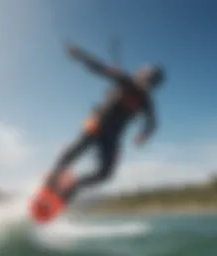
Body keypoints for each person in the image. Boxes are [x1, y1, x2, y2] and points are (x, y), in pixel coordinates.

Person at [47, 45, 165, 203]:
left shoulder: (146, 102)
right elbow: (100, 68)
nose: (146, 84)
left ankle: (73, 188)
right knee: (73, 153)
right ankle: (53, 177)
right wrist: (80, 55)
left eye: (151, 83)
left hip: (112, 137)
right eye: (146, 79)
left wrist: (143, 135)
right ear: (140, 74)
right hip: (97, 125)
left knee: (105, 174)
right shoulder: (124, 80)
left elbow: (152, 122)